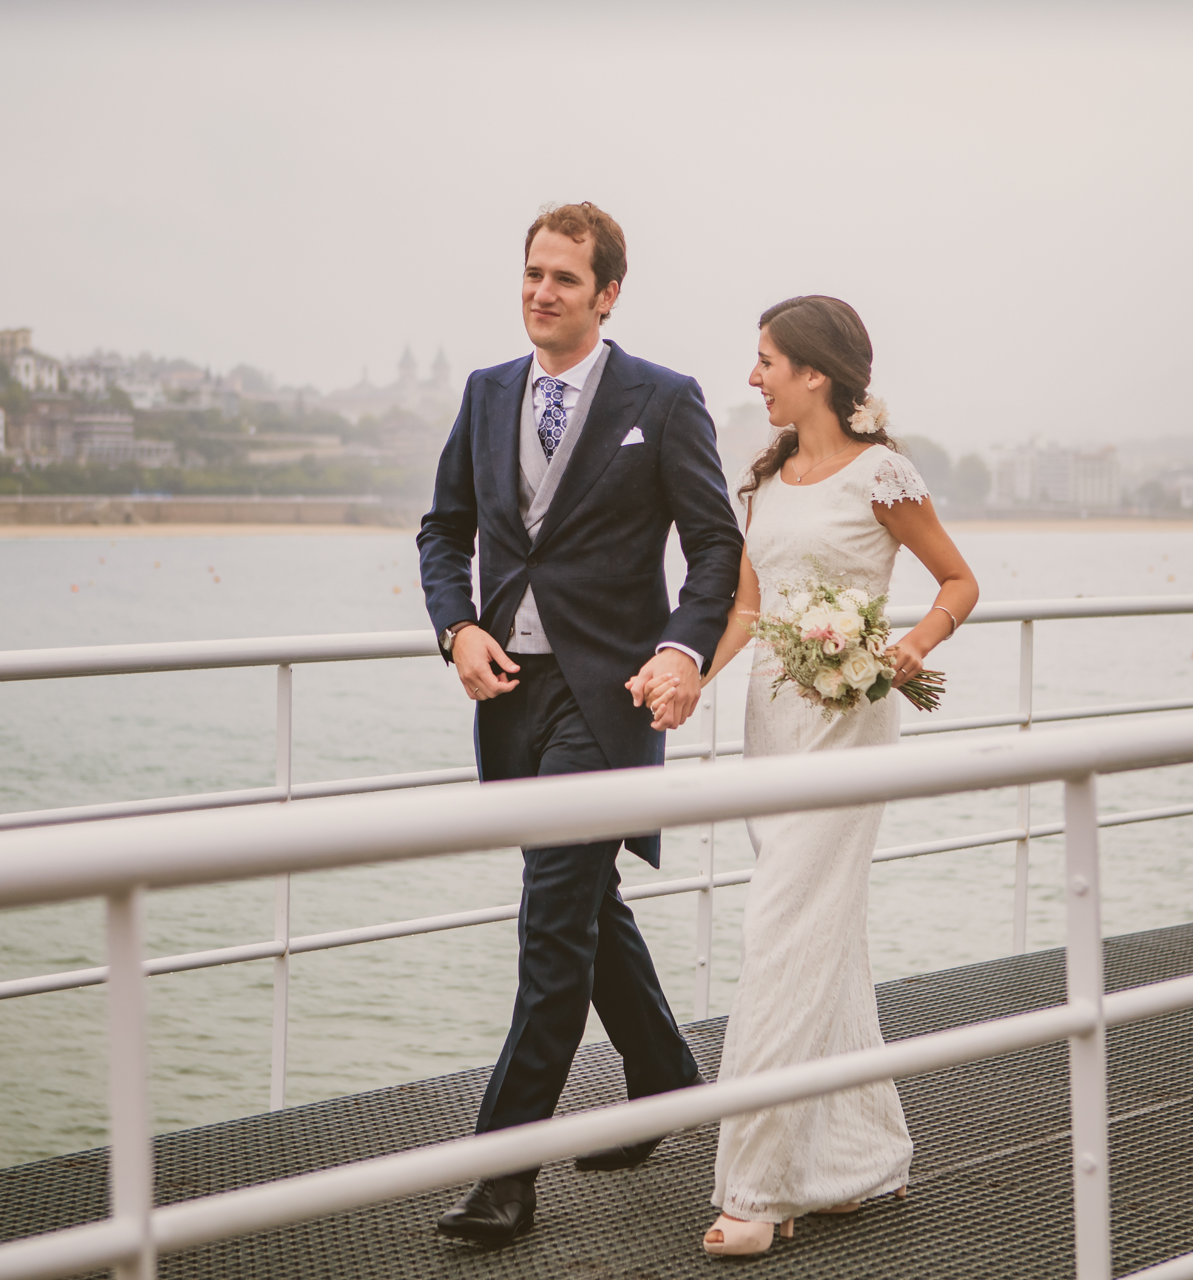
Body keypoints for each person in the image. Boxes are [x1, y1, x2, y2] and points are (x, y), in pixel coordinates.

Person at [416, 202, 745, 1245]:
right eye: (531, 273)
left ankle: (503, 1171)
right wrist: (457, 626)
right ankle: (662, 1076)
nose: (539, 291)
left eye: (563, 277)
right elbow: (444, 529)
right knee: (584, 893)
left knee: (552, 919)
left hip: (610, 699)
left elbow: (715, 549)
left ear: (607, 293)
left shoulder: (665, 398)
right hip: (513, 696)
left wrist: (680, 649)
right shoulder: (484, 393)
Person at [642, 295, 978, 1257]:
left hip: (851, 726)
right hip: (774, 726)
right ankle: (858, 1163)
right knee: (821, 935)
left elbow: (959, 581)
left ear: (815, 373)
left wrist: (907, 649)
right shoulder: (767, 478)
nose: (753, 378)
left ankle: (757, 1189)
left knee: (781, 933)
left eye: (766, 362)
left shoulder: (885, 474)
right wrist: (693, 679)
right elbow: (747, 610)